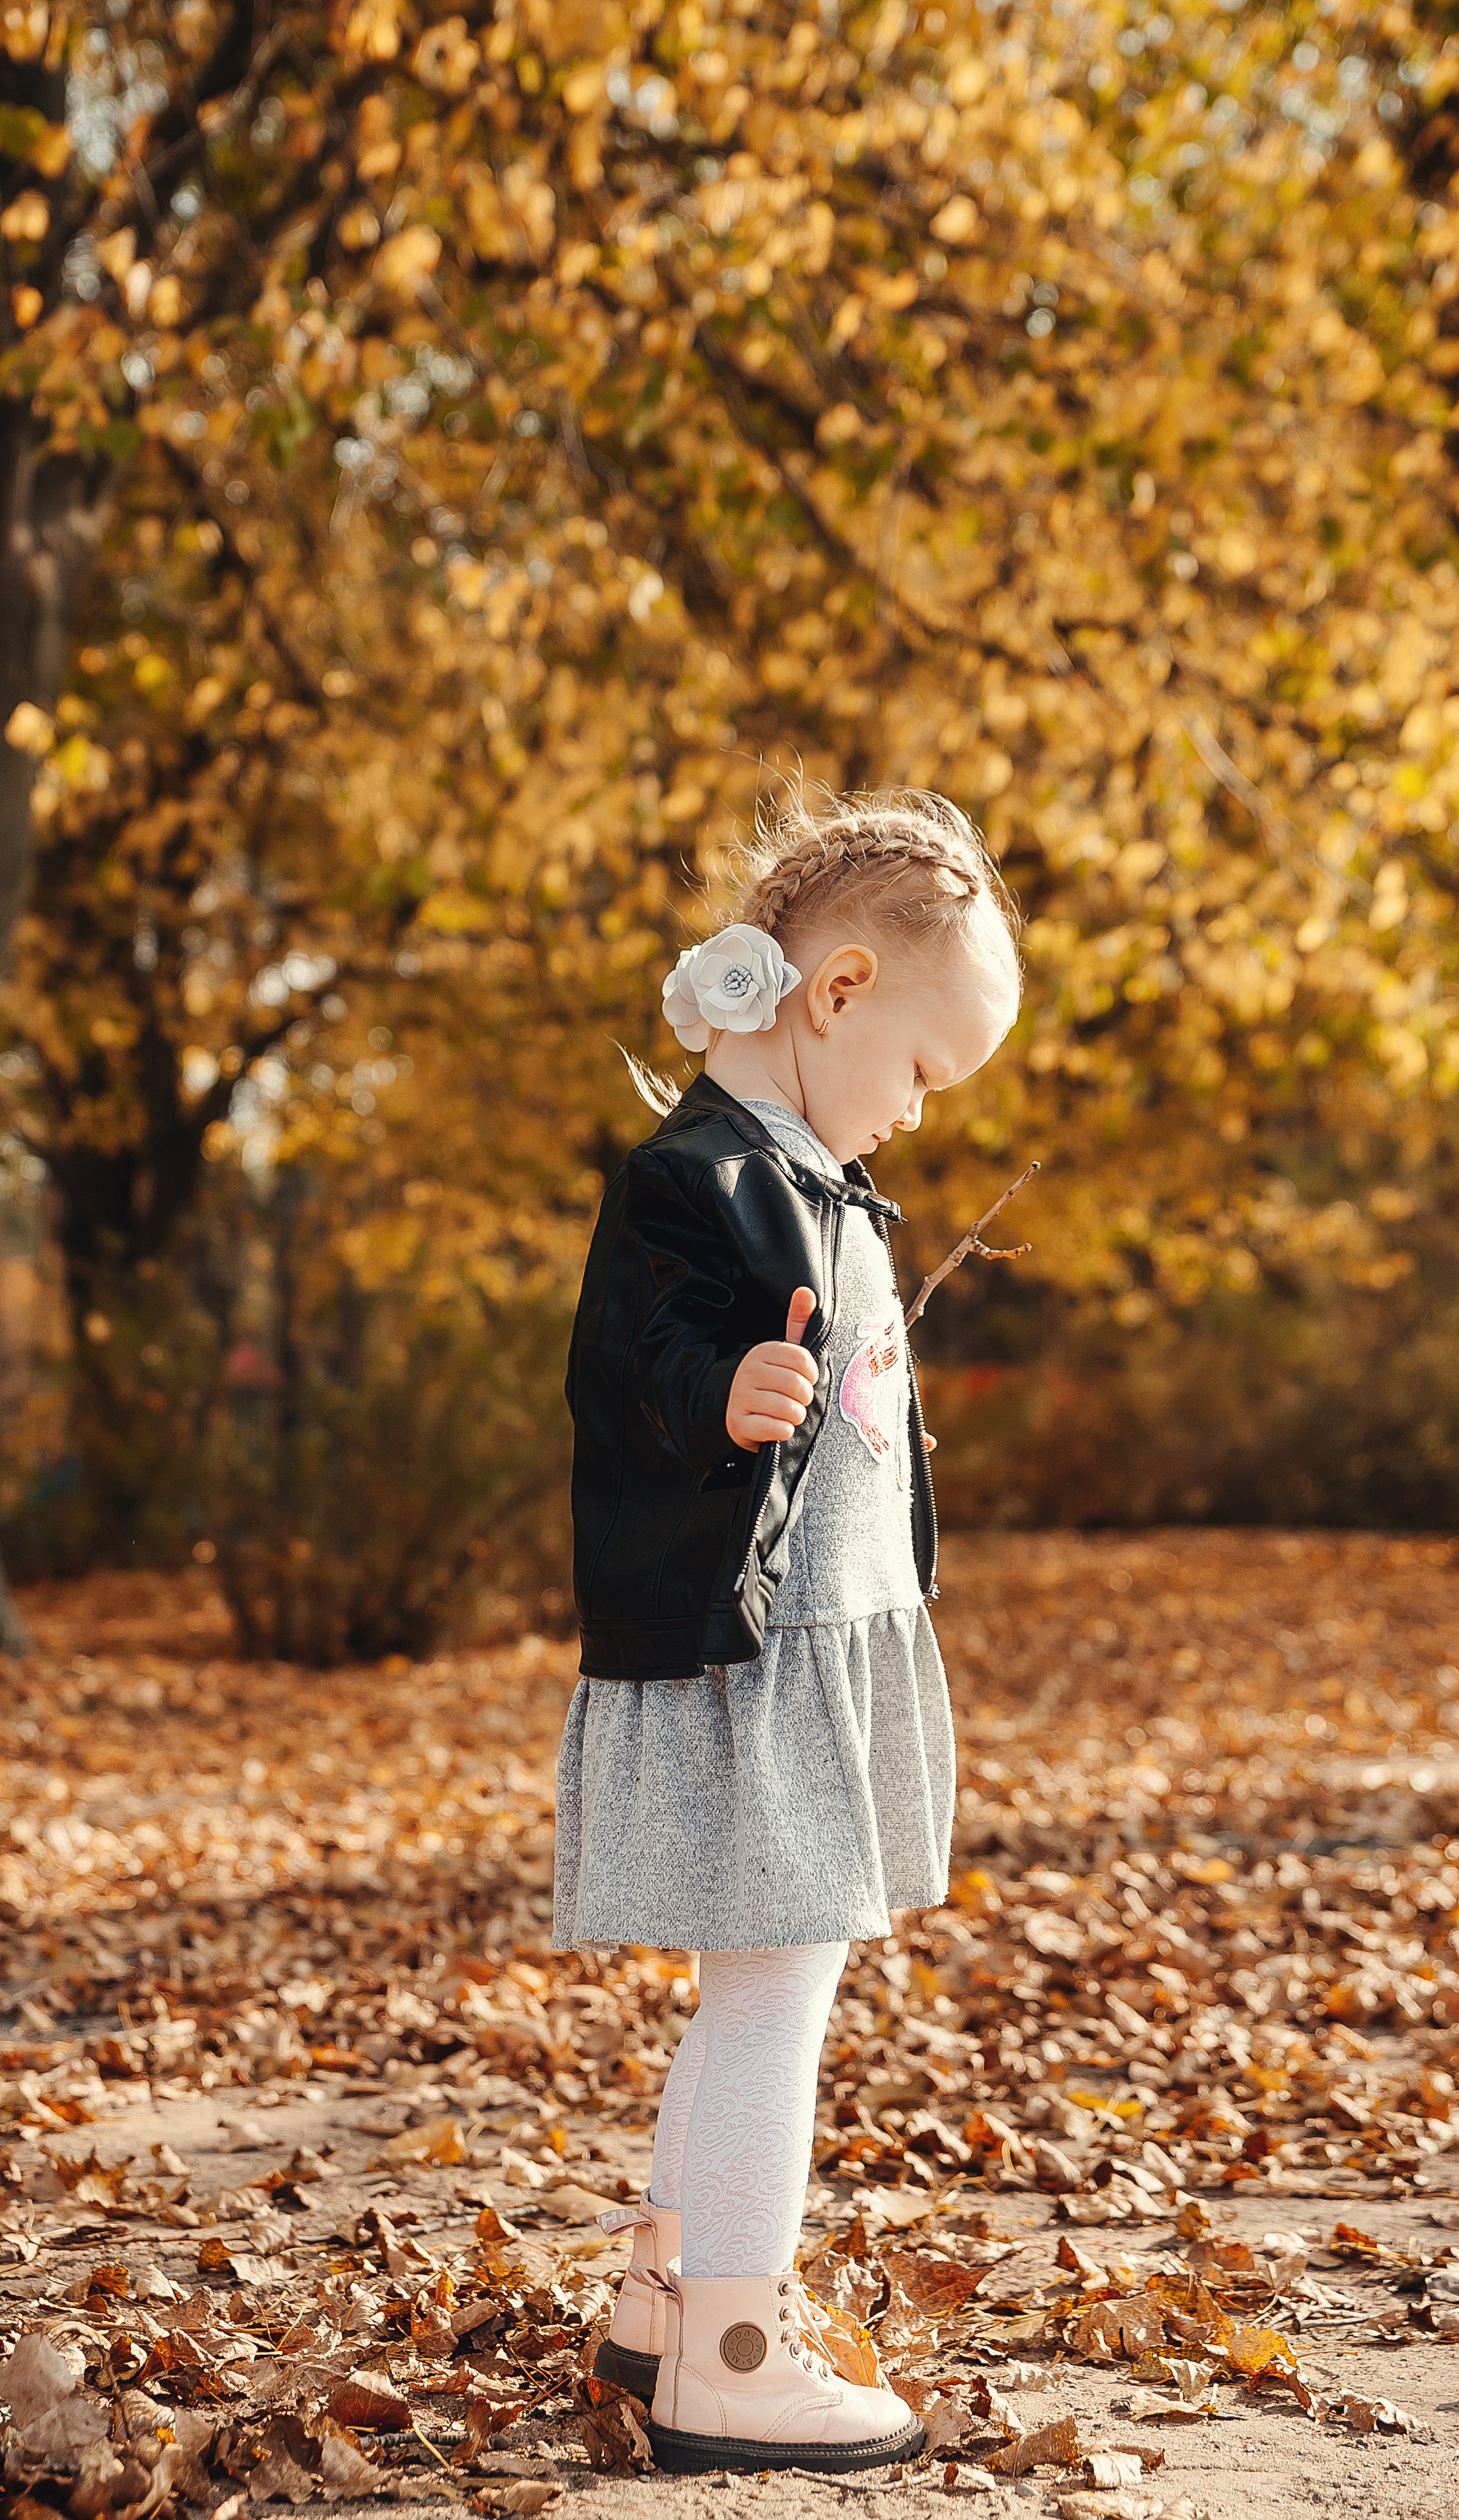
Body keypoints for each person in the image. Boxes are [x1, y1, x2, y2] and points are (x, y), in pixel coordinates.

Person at [553, 787, 1022, 2475]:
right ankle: (736, 2351)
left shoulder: (818, 1174)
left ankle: (664, 2305)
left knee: (761, 1981)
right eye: (919, 1068)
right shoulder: (700, 1178)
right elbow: (625, 1363)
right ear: (832, 995)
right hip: (757, 1657)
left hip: (831, 1636)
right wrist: (717, 1391)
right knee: (774, 1993)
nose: (915, 1110)